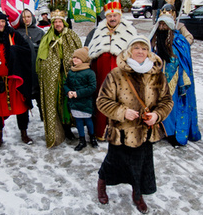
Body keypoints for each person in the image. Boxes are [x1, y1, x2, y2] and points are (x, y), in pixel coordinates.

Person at [95, 37, 173, 214]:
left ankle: (138, 195)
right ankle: (102, 184)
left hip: (145, 132)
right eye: (136, 48)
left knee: (140, 166)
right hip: (121, 132)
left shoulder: (157, 75)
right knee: (112, 162)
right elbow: (102, 101)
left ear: (149, 52)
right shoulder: (116, 74)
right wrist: (122, 112)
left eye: (144, 49)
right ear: (129, 51)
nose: (140, 51)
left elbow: (167, 101)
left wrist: (157, 115)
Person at [0, 10, 35, 147]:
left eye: (3, 21)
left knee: (21, 108)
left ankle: (24, 133)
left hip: (14, 79)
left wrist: (15, 51)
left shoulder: (12, 35)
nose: (1, 24)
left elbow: (26, 49)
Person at [85, 8, 138, 139]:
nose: (113, 18)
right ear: (106, 18)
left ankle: (120, 132)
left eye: (115, 16)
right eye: (110, 16)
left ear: (120, 16)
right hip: (101, 74)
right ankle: (101, 131)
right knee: (103, 99)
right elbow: (91, 53)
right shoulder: (98, 31)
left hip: (122, 76)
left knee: (121, 100)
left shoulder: (129, 31)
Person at [150, 14, 201, 147]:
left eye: (165, 25)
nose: (162, 27)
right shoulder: (153, 40)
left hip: (174, 78)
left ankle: (171, 133)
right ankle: (157, 131)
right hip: (155, 79)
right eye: (160, 24)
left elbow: (184, 58)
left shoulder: (179, 41)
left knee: (171, 107)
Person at [36, 10, 82, 147]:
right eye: (55, 22)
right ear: (52, 23)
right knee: (56, 102)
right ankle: (57, 130)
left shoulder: (72, 36)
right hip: (53, 78)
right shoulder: (47, 38)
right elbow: (42, 60)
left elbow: (80, 53)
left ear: (64, 23)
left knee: (68, 103)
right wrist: (53, 66)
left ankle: (69, 129)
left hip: (69, 76)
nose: (57, 24)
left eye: (60, 21)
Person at [63, 46, 98, 151]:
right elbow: (66, 84)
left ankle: (92, 137)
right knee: (78, 121)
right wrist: (68, 91)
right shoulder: (71, 72)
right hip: (74, 102)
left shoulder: (89, 72)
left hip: (85, 102)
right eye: (74, 57)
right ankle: (82, 140)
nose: (75, 60)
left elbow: (92, 87)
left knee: (88, 121)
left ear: (84, 59)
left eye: (78, 58)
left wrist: (77, 93)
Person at [16, 8, 44, 116]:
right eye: (23, 17)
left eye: (28, 16)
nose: (26, 19)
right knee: (22, 105)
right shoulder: (16, 33)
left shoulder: (39, 32)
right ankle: (23, 129)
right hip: (23, 72)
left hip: (37, 71)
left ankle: (46, 124)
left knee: (41, 100)